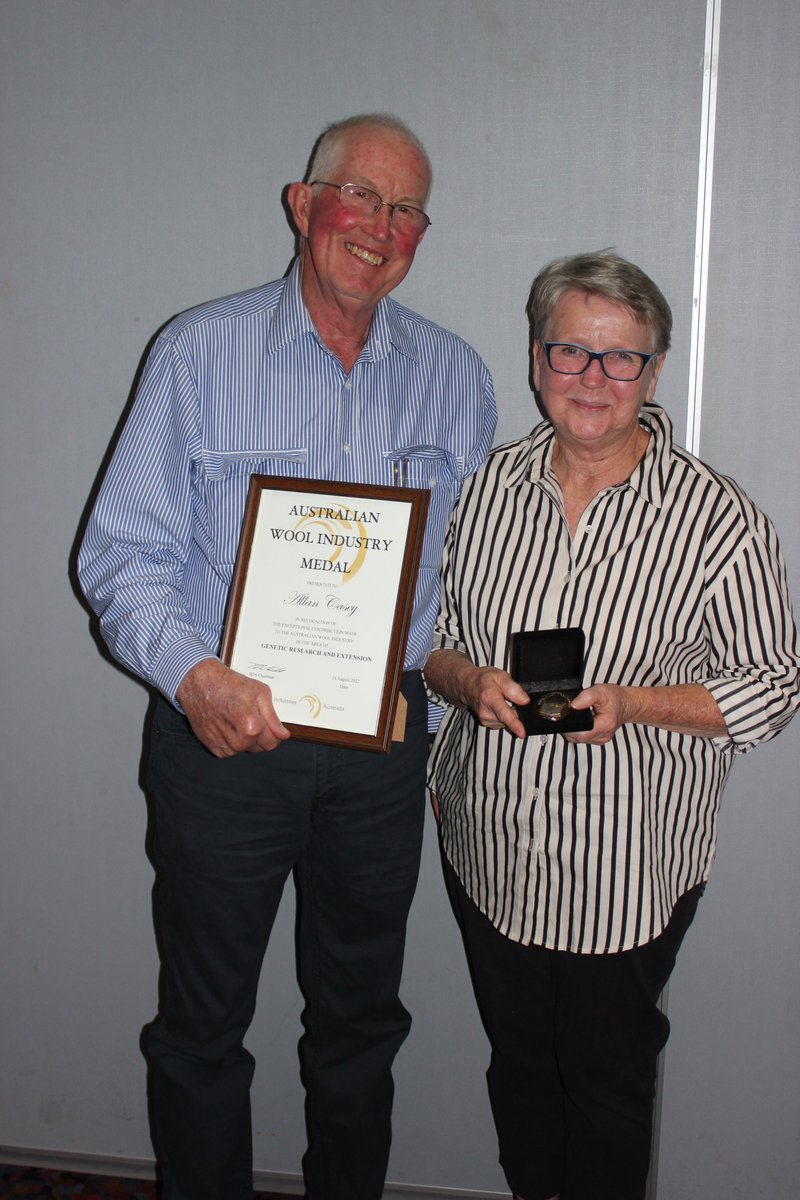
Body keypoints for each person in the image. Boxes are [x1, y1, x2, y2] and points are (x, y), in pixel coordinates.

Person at [77, 113, 496, 1200]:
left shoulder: (455, 377)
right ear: (303, 205)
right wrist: (192, 677)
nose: (380, 226)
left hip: (379, 752)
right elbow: (121, 555)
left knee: (360, 1022)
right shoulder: (197, 351)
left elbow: (463, 584)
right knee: (203, 1023)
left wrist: (439, 746)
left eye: (406, 208)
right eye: (359, 195)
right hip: (221, 739)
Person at [424, 249, 800, 1200]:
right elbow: (428, 637)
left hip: (625, 874)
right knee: (517, 1069)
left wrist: (634, 705)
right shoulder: (483, 491)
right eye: (569, 352)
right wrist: (467, 681)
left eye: (620, 358)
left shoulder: (720, 521)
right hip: (492, 850)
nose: (593, 380)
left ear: (655, 369)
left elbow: (775, 684)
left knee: (605, 1085)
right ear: (536, 357)